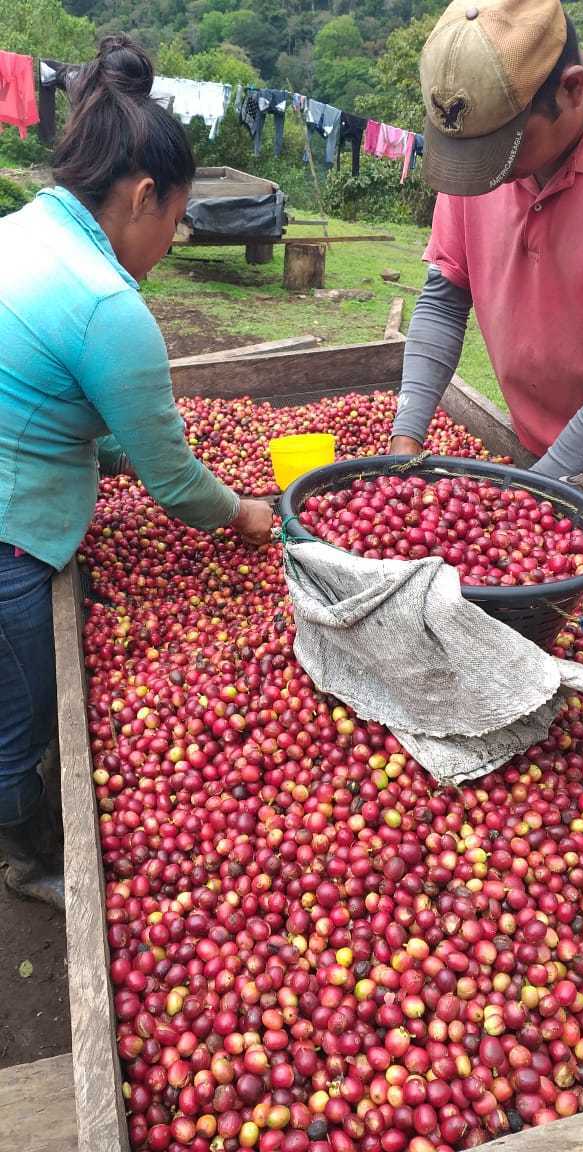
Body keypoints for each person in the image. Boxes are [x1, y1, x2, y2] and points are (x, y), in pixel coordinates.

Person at [0, 35, 273, 910]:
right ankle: (33, 857)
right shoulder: (109, 304)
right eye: (177, 220)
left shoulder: (24, 228)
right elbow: (178, 487)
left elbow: (46, 390)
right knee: (22, 717)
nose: (171, 242)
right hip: (10, 534)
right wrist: (245, 516)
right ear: (145, 195)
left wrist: (122, 453)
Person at [390, 0, 583, 518]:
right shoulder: (480, 136)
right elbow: (443, 299)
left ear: (571, 89)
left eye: (504, 147)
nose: (484, 175)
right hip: (543, 453)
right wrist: (405, 440)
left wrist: (525, 499)